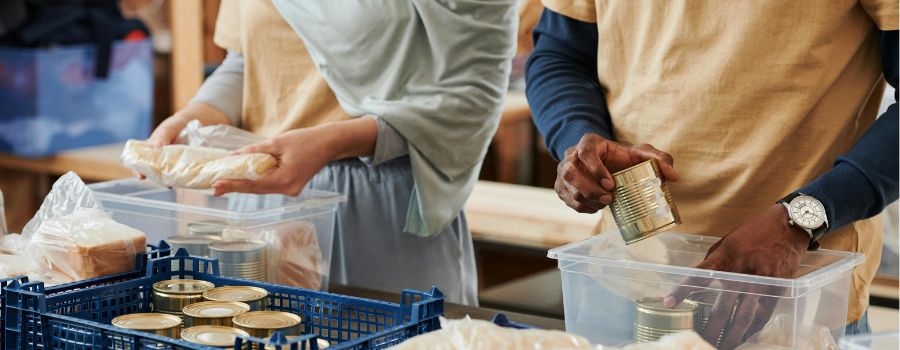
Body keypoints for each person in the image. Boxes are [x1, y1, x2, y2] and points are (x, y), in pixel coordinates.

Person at [526, 1, 898, 348]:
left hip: (796, 297)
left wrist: (801, 218)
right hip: (625, 273)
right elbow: (560, 55)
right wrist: (579, 142)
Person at [145, 0, 517, 305]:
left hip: (385, 207)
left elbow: (473, 96)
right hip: (264, 209)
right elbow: (245, 61)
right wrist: (191, 117)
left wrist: (329, 142)